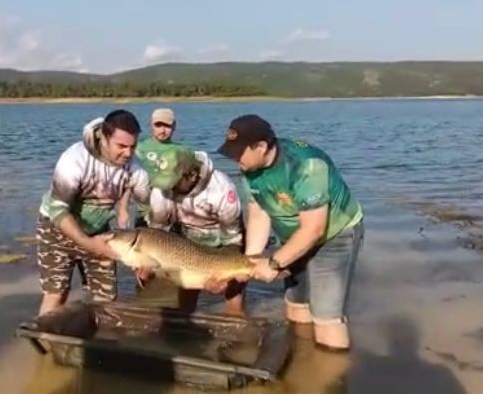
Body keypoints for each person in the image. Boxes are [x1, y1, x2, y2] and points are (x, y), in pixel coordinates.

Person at [216, 114, 364, 351]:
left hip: (334, 236)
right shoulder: (248, 168)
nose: (234, 157)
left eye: (239, 151)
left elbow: (314, 229)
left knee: (326, 318)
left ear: (262, 147)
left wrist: (273, 264)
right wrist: (250, 263)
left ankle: (333, 377)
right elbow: (258, 215)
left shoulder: (306, 165)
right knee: (296, 306)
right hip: (292, 236)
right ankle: (302, 362)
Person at [36, 110, 150, 316]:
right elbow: (58, 209)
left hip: (99, 231)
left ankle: (96, 341)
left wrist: (144, 256)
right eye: (121, 146)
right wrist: (88, 244)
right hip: (56, 227)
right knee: (57, 294)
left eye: (133, 146)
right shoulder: (75, 159)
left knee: (106, 298)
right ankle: (46, 343)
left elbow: (147, 207)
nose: (128, 153)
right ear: (104, 138)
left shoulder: (136, 169)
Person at [140, 146, 246, 315]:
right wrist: (147, 261)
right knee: (186, 300)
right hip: (189, 240)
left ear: (192, 175)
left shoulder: (222, 189)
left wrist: (222, 275)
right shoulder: (161, 190)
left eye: (173, 182)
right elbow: (157, 234)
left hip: (226, 240)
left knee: (233, 301)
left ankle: (238, 331)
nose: (169, 188)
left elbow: (232, 241)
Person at [117, 107, 183, 229]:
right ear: (151, 125)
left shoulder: (182, 151)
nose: (162, 130)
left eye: (167, 126)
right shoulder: (137, 148)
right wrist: (123, 210)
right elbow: (127, 182)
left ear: (174, 126)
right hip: (145, 215)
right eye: (158, 125)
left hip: (173, 216)